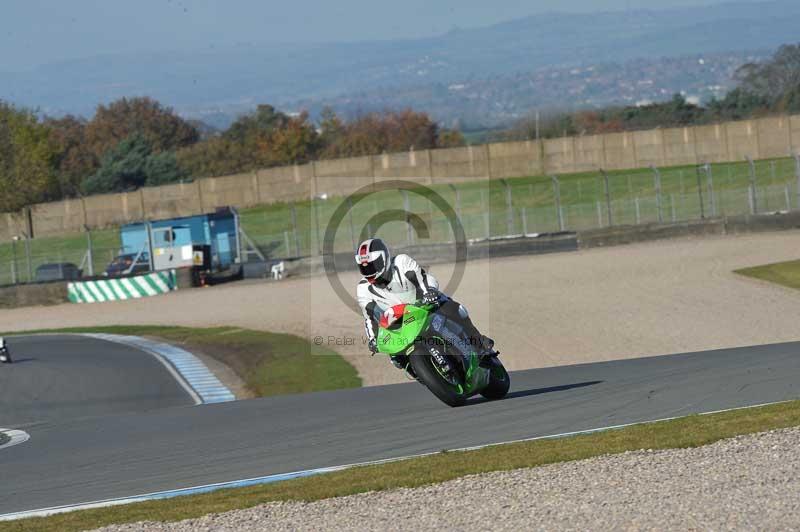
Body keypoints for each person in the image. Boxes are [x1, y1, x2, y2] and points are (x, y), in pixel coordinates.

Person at [355, 238, 494, 376]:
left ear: (384, 258)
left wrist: (430, 291)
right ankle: (421, 375)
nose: (369, 270)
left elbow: (422, 278)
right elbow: (369, 317)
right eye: (364, 267)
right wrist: (372, 339)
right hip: (400, 324)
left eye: (372, 265)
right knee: (395, 357)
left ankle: (479, 343)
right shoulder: (363, 288)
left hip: (425, 304)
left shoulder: (401, 262)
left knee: (455, 310)